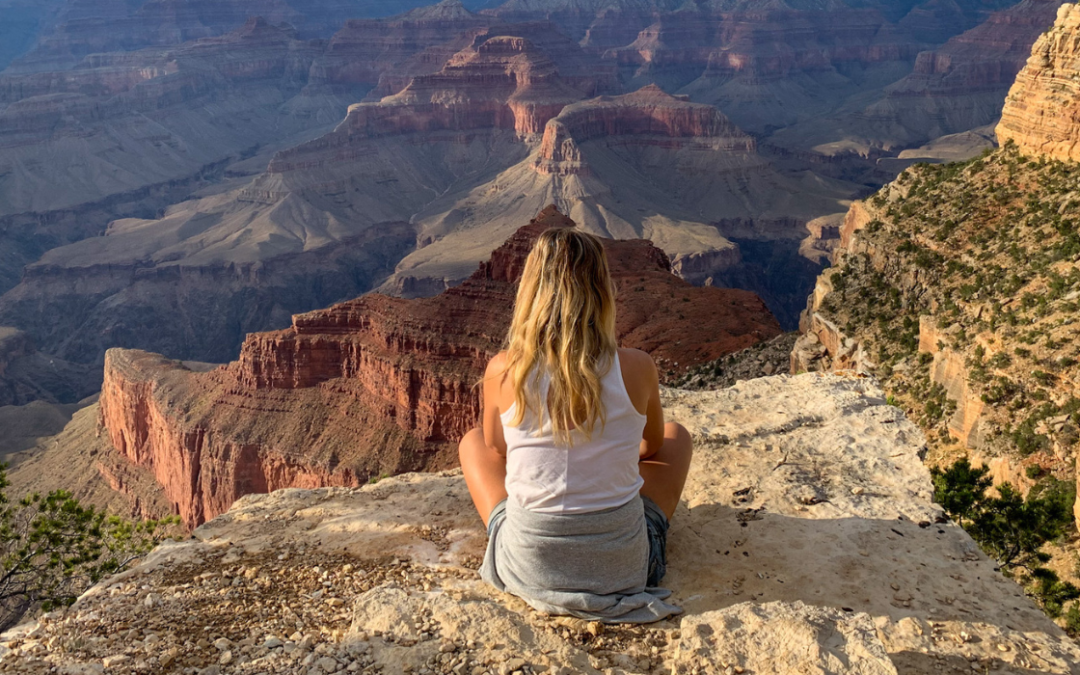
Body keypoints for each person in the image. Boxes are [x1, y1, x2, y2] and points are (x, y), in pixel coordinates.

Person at [458, 227, 693, 623]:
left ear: (530, 293)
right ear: (602, 292)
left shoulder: (504, 369)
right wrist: (608, 459)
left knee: (471, 443)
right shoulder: (636, 367)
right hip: (624, 572)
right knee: (677, 437)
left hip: (527, 569)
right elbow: (652, 445)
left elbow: (497, 449)